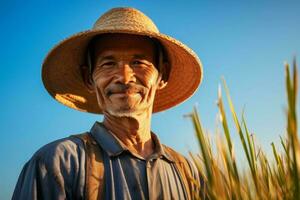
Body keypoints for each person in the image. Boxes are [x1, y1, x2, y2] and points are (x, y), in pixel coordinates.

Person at [13, 7, 204, 200]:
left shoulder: (188, 174)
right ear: (89, 78)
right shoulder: (58, 164)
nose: (124, 77)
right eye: (108, 64)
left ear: (162, 75)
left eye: (139, 62)